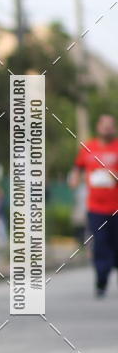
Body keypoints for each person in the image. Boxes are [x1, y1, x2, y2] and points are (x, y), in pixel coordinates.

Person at [69, 114, 118, 297]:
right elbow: (77, 167)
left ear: (114, 128)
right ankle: (101, 279)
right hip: (96, 208)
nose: (106, 129)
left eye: (110, 126)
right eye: (104, 125)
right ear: (98, 127)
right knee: (100, 243)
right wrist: (74, 178)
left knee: (115, 245)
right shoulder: (88, 148)